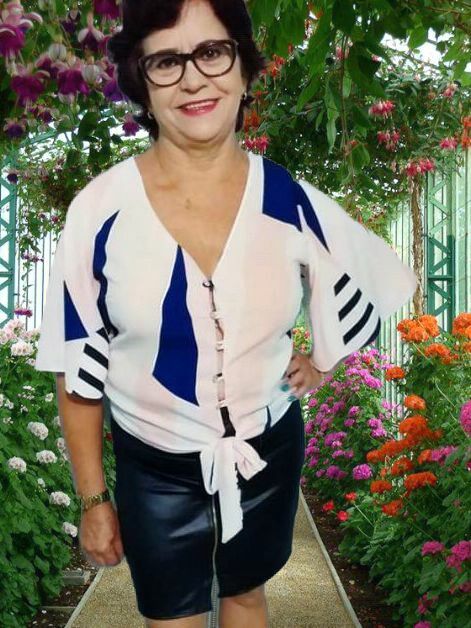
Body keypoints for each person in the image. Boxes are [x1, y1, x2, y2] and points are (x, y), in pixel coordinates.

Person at [34, 0, 418, 626]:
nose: (193, 79)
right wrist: (94, 499)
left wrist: (322, 358)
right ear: (140, 81)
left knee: (246, 594)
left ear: (243, 68)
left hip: (266, 448)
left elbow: (367, 274)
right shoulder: (100, 210)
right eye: (166, 61)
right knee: (172, 614)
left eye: (212, 52)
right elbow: (76, 366)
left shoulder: (286, 197)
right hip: (153, 460)